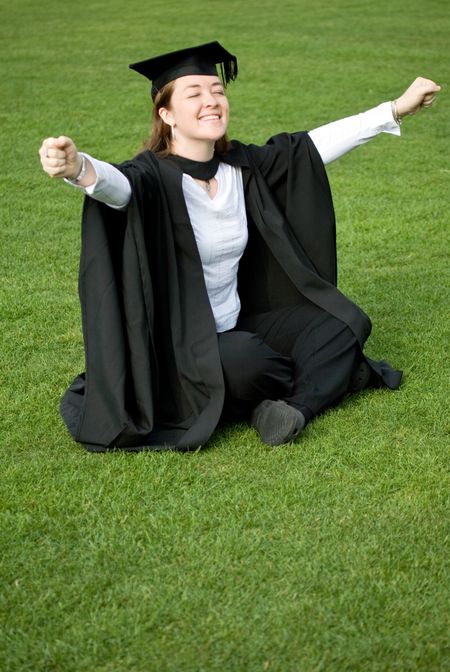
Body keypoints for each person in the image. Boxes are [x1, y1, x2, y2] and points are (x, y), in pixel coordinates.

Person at [39, 41, 440, 452]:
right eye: (194, 94)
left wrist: (395, 108)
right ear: (167, 114)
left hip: (240, 322)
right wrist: (78, 168)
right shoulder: (149, 178)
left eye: (217, 91)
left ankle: (292, 410)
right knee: (243, 360)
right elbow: (114, 186)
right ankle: (326, 379)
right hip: (182, 348)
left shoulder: (241, 166)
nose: (211, 101)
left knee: (342, 323)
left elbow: (312, 147)